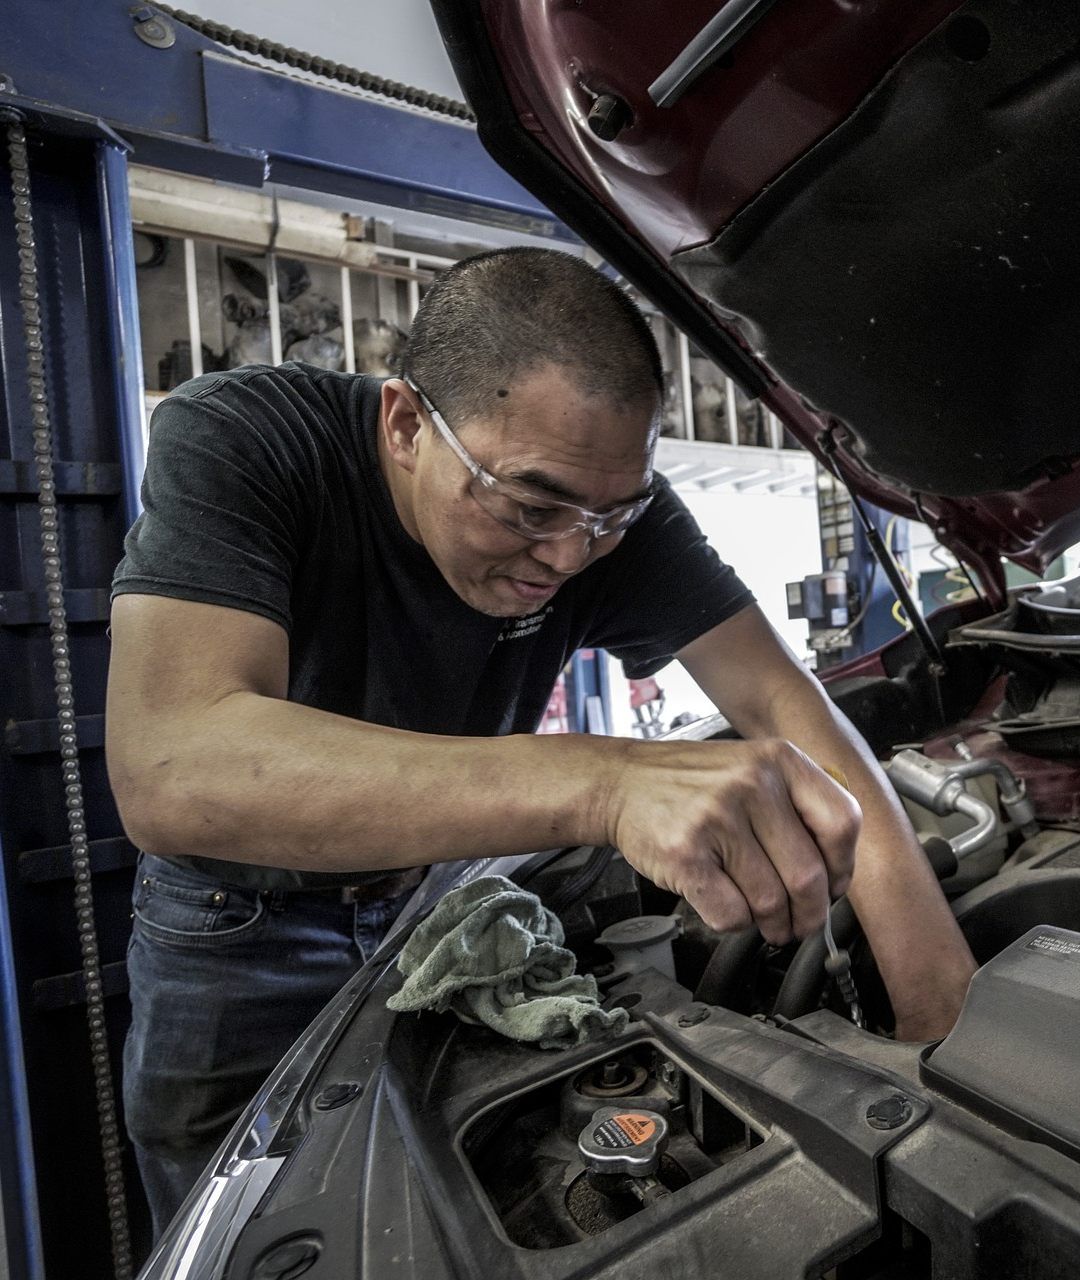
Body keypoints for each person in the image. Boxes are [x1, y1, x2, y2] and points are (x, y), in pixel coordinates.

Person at [106, 247, 976, 1235]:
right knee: (240, 1226)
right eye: (530, 506)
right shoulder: (247, 438)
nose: (569, 554)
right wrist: (605, 782)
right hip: (239, 924)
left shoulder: (605, 514)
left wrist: (938, 1011)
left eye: (613, 513)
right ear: (403, 423)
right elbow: (174, 764)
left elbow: (783, 703)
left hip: (442, 900)